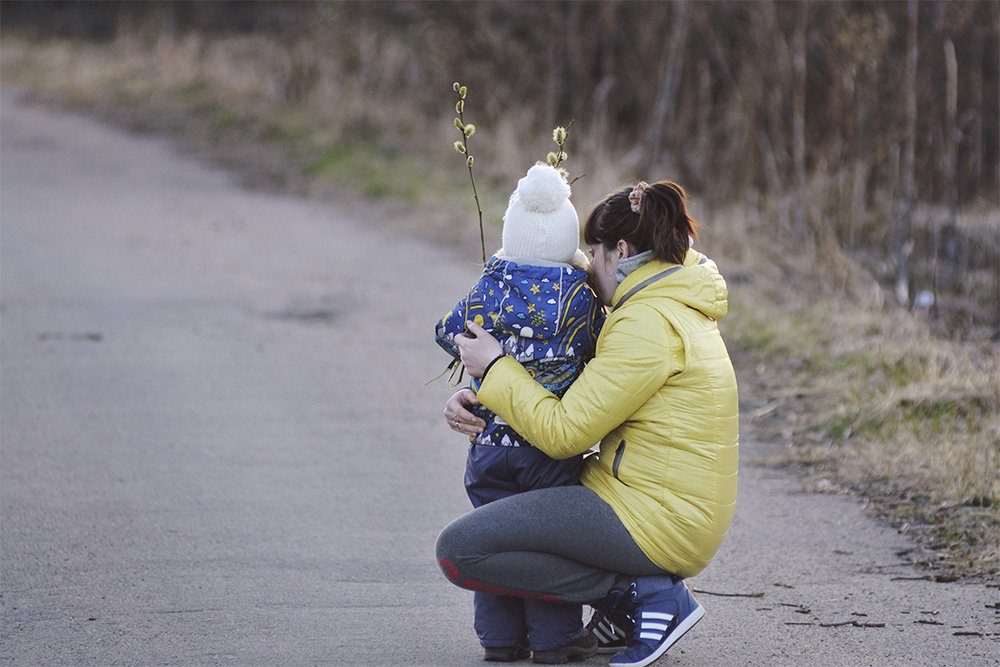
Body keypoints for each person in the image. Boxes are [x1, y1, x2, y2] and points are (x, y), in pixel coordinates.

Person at [437, 180, 739, 667]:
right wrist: (482, 397)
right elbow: (576, 393)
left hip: (654, 520)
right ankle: (628, 606)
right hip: (657, 506)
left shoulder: (646, 325)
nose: (587, 266)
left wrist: (494, 369)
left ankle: (643, 596)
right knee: (510, 527)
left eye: (593, 253)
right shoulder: (670, 303)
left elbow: (563, 434)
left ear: (620, 251)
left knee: (462, 550)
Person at [434, 164, 605, 664]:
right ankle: (555, 640)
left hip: (488, 445)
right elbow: (600, 350)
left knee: (495, 536)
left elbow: (447, 333)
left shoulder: (490, 285)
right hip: (545, 448)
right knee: (545, 542)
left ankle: (500, 641)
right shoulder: (580, 296)